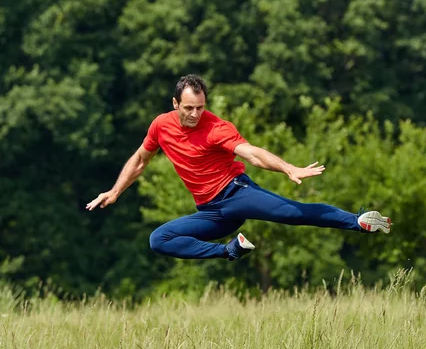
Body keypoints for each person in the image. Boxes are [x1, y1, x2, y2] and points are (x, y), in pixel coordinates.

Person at [86, 74, 391, 260]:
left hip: (236, 194)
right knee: (159, 240)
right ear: (175, 104)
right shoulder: (160, 126)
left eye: (200, 107)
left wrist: (288, 168)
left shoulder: (216, 127)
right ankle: (230, 251)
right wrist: (115, 191)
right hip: (211, 212)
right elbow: (140, 159)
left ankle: (359, 221)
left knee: (292, 213)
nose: (195, 114)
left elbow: (252, 154)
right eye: (189, 108)